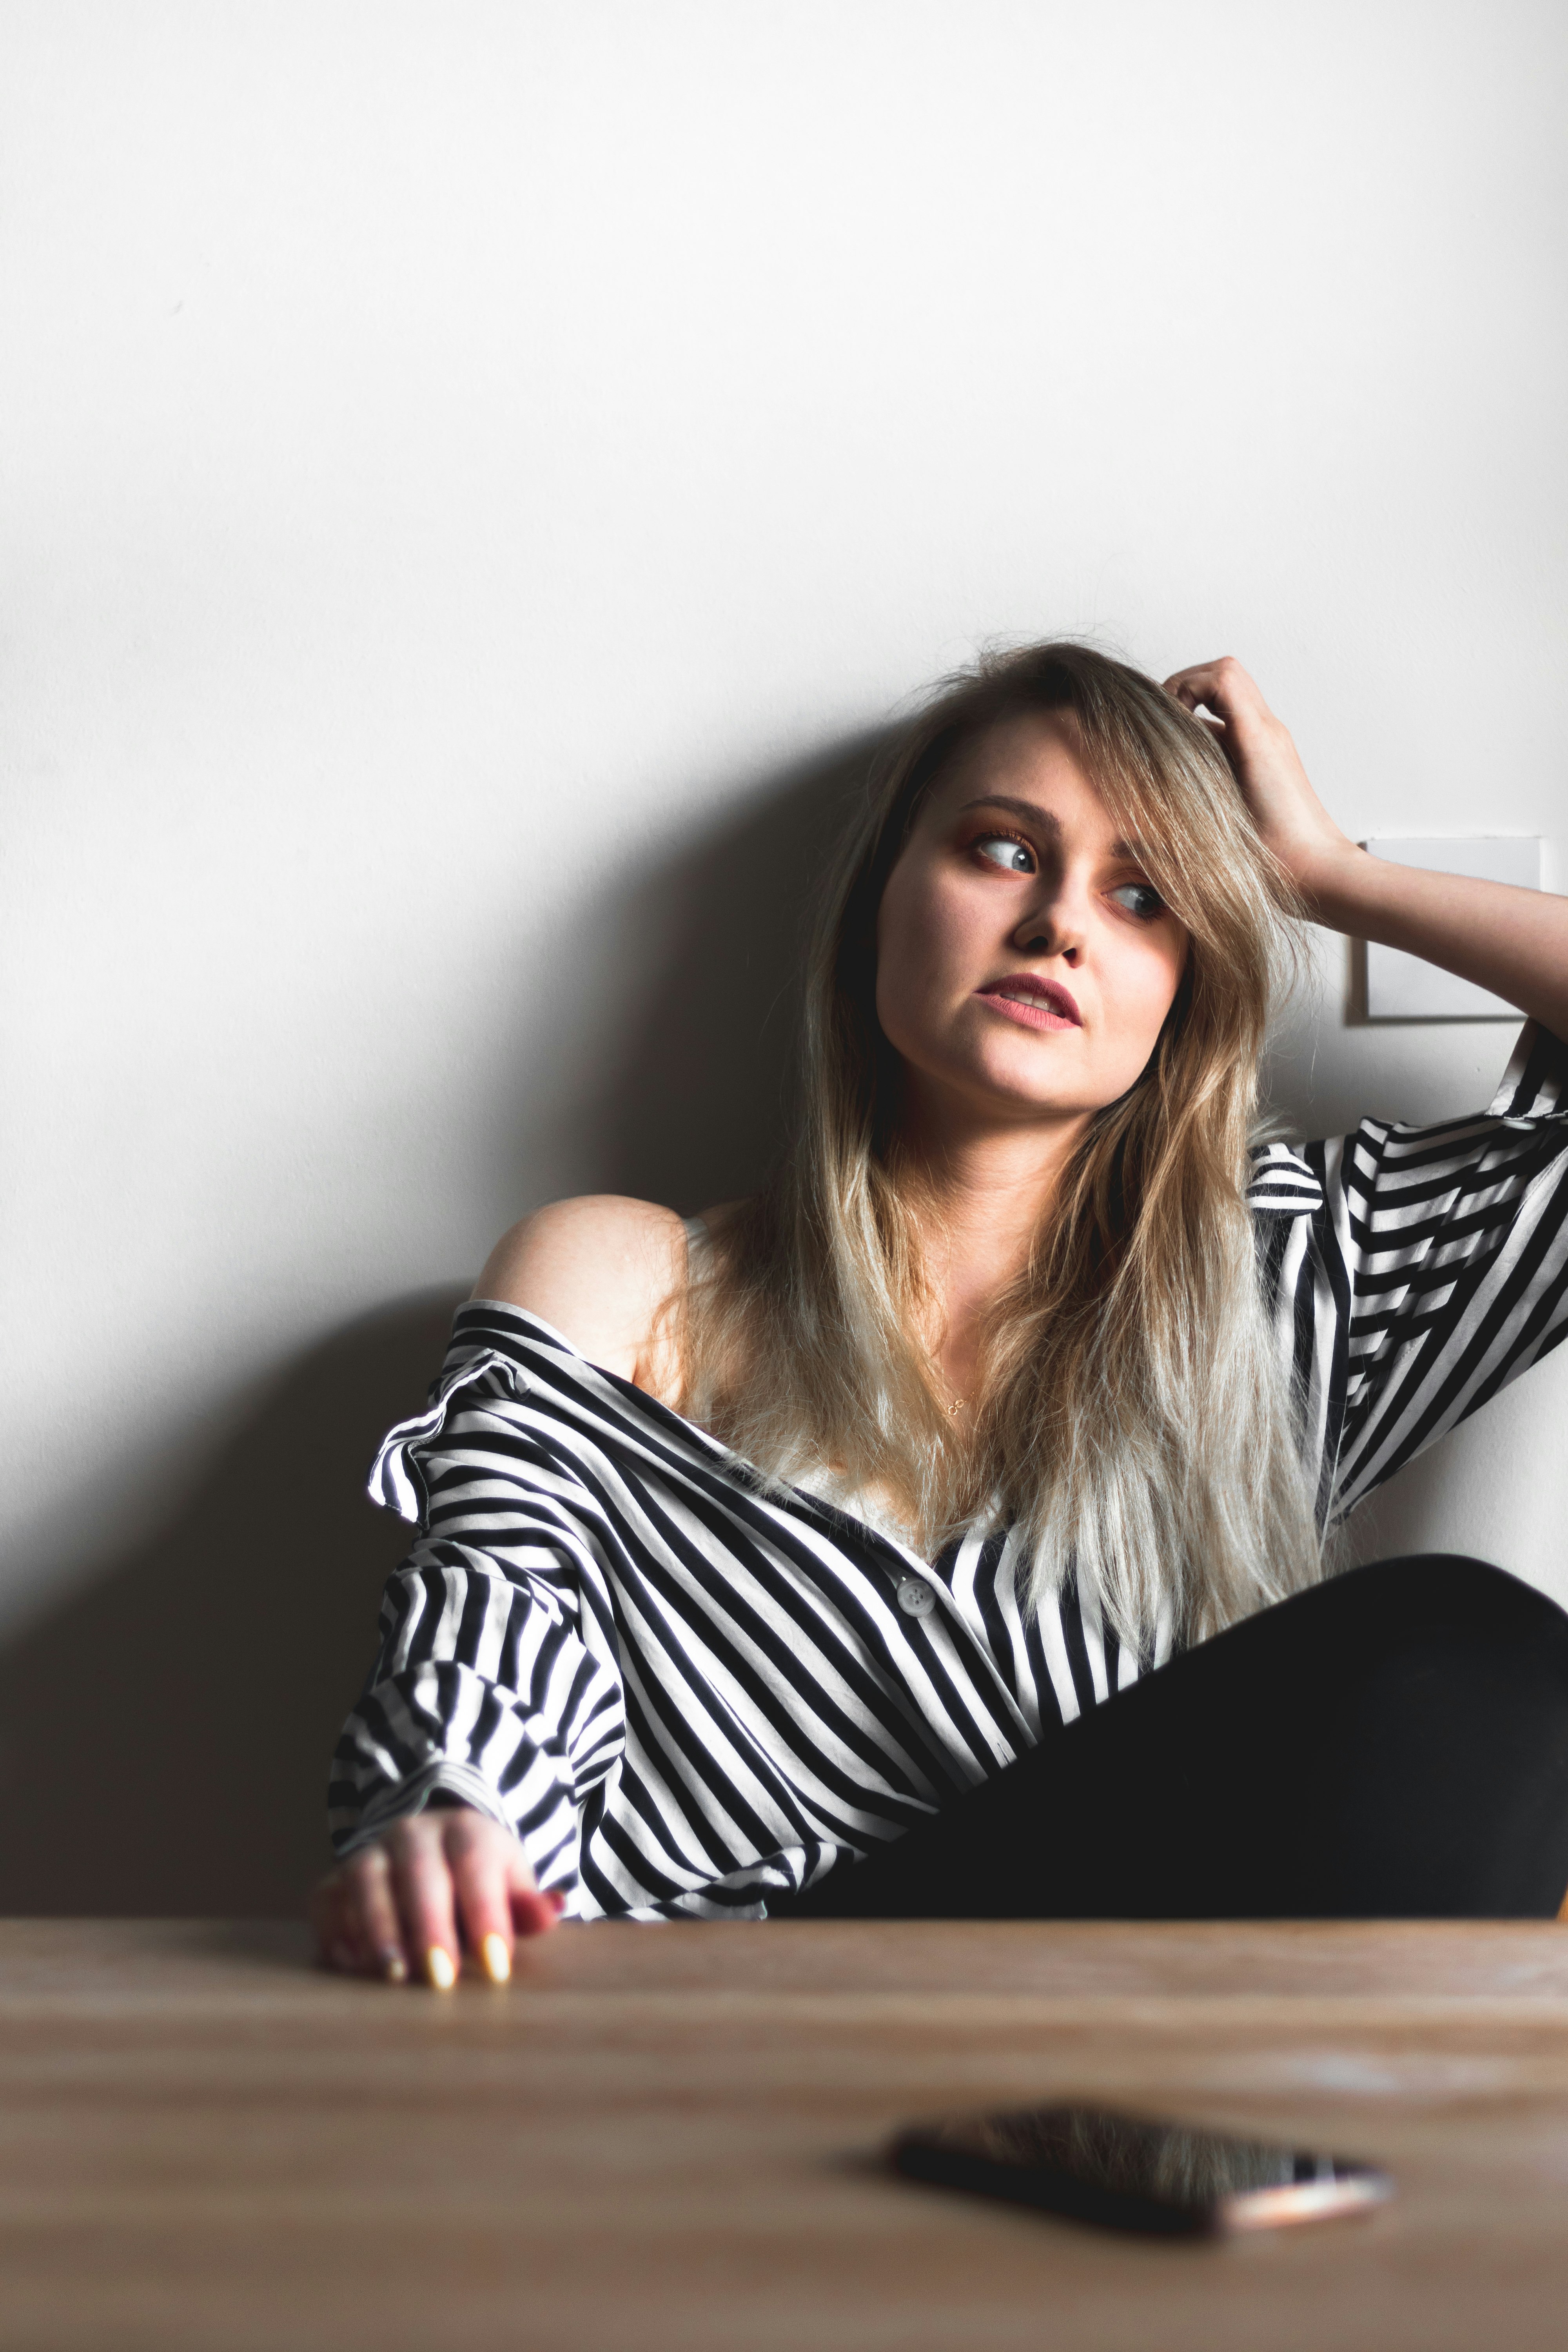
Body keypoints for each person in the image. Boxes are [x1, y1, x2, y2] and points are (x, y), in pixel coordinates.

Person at [314, 646, 1568, 1989]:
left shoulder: (1286, 1279)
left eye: (1144, 896)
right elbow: (499, 1594)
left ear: (1184, 986)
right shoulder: (635, 1283)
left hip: (1101, 2065)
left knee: (1476, 1660)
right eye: (1006, 852)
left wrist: (1329, 877)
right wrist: (448, 1812)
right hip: (711, 2037)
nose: (1063, 928)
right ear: (880, 902)